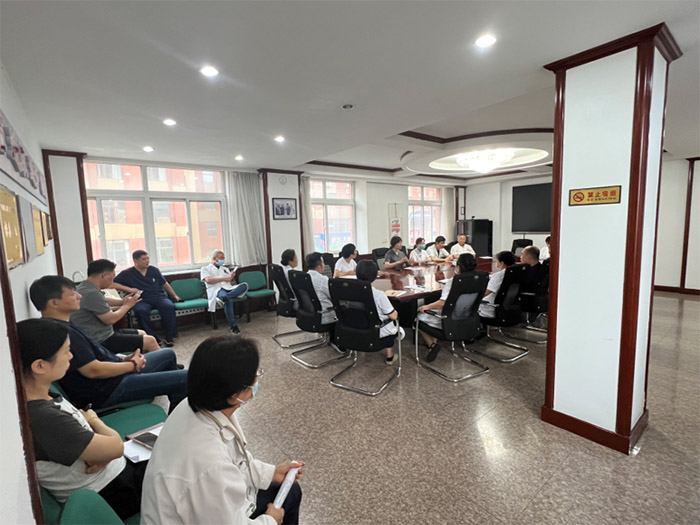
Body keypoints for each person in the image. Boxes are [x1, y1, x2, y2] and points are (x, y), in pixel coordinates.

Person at [141, 336, 304, 525]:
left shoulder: (195, 405)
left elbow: (236, 461)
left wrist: (271, 472)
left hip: (201, 507)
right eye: (255, 374)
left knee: (290, 490)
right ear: (235, 394)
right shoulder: (209, 464)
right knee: (289, 497)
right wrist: (271, 520)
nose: (257, 379)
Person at [18, 318, 146, 519]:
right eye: (66, 351)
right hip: (113, 492)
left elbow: (101, 448)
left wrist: (101, 455)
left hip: (115, 475)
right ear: (40, 366)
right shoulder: (43, 418)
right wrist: (94, 421)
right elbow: (116, 447)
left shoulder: (44, 395)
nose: (71, 356)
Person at [30, 275, 188, 412]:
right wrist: (132, 365)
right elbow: (93, 370)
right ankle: (178, 421)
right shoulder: (61, 333)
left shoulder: (64, 324)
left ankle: (174, 394)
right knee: (187, 378)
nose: (79, 297)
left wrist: (122, 359)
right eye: (72, 294)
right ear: (54, 303)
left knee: (167, 354)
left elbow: (94, 355)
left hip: (114, 375)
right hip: (107, 390)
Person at [70, 259, 160, 354]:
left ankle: (145, 361)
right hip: (99, 339)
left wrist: (121, 301)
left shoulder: (84, 287)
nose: (112, 281)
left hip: (103, 332)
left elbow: (102, 299)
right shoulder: (91, 293)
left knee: (142, 333)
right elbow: (111, 319)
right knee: (150, 341)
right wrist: (127, 305)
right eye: (112, 277)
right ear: (104, 275)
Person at [417, 253, 479, 362]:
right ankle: (433, 343)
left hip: (450, 321)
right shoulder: (479, 279)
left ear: (458, 267)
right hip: (469, 319)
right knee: (431, 312)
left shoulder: (454, 281)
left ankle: (432, 345)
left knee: (419, 316)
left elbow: (442, 303)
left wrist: (426, 306)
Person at [113, 250, 180, 346]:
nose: (147, 261)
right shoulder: (127, 273)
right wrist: (129, 289)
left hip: (158, 297)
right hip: (141, 299)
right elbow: (112, 284)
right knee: (141, 311)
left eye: (148, 258)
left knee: (169, 306)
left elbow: (164, 283)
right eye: (144, 259)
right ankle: (151, 336)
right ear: (135, 260)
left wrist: (174, 295)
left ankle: (170, 335)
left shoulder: (154, 270)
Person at [355, 260, 404, 365]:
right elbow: (393, 316)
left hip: (354, 328)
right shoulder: (378, 295)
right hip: (375, 331)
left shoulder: (348, 291)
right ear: (375, 276)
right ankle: (390, 356)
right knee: (389, 321)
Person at [201, 250, 248, 335]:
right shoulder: (205, 269)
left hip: (228, 288)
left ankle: (226, 297)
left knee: (244, 285)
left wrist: (231, 277)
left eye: (224, 258)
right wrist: (224, 279)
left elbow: (230, 283)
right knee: (228, 300)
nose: (223, 260)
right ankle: (233, 326)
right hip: (217, 289)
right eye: (221, 258)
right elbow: (208, 280)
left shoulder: (225, 269)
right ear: (214, 259)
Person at [478, 251, 515, 319]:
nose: (496, 264)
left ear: (502, 263)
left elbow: (486, 293)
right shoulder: (514, 272)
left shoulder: (498, 276)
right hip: (507, 307)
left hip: (490, 306)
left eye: (497, 261)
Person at [306, 252, 336, 325]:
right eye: (323, 263)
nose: (324, 265)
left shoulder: (305, 277)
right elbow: (333, 296)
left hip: (309, 313)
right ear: (319, 267)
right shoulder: (322, 279)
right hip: (326, 315)